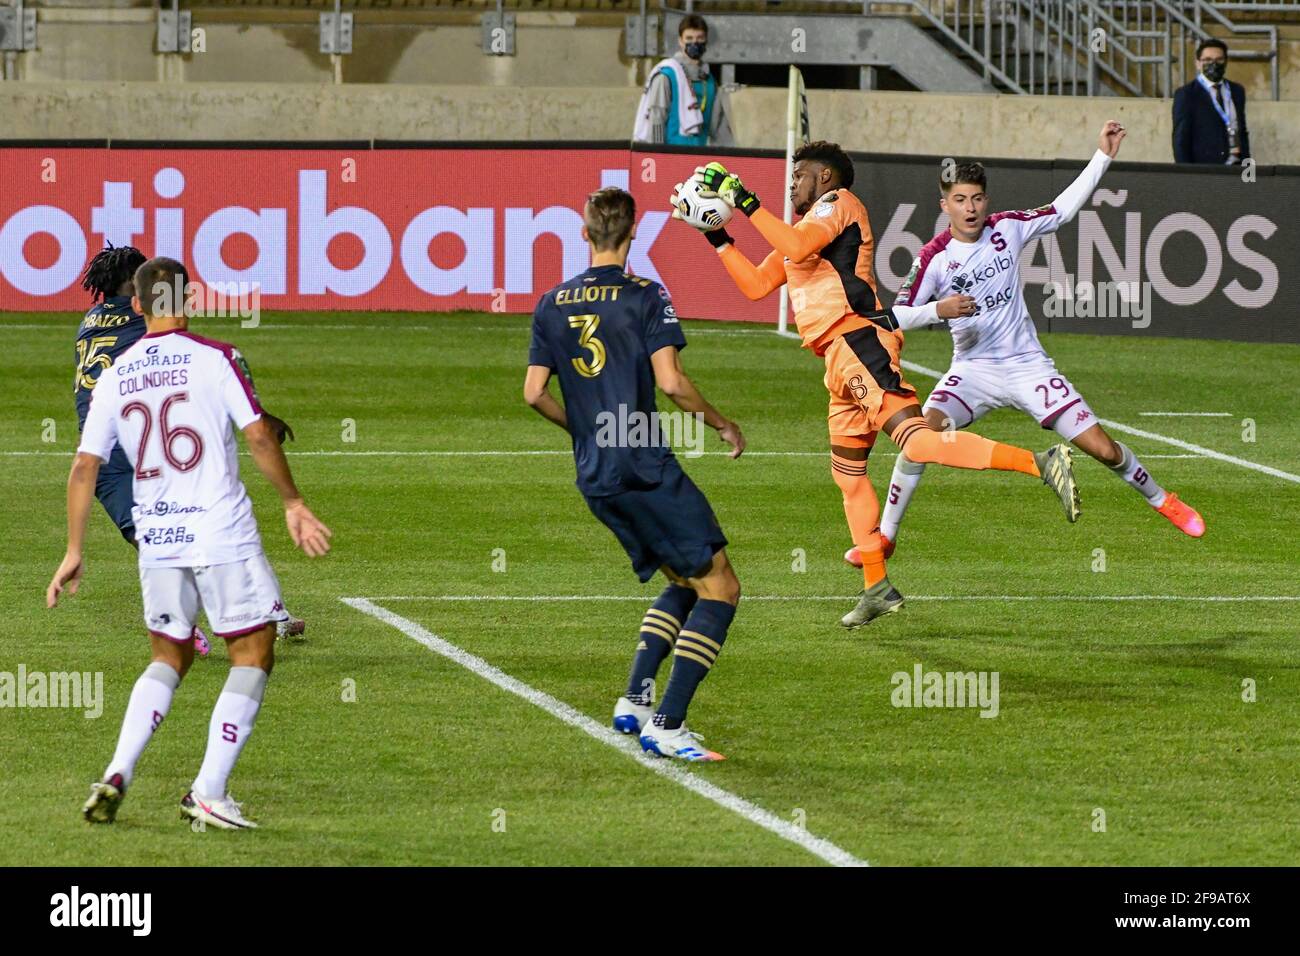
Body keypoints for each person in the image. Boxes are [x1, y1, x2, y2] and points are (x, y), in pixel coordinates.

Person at [678, 144, 1080, 629]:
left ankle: (1041, 462)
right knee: (848, 476)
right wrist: (717, 237)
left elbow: (798, 248)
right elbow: (757, 285)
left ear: (825, 178)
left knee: (919, 442)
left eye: (800, 174)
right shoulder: (801, 232)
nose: (792, 183)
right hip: (836, 357)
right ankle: (876, 587)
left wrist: (745, 201)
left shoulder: (838, 204)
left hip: (858, 340)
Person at [50, 256, 332, 829]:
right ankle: (208, 790)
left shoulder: (117, 372)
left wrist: (74, 550)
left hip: (157, 535)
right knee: (252, 653)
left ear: (137, 306)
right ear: (192, 299)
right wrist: (293, 502)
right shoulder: (216, 357)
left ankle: (116, 771)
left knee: (168, 656)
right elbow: (258, 436)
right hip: (219, 529)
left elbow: (84, 465)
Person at [854, 121, 1205, 566]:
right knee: (919, 440)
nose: (970, 208)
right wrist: (938, 310)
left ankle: (1162, 500)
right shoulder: (933, 258)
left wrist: (1103, 155)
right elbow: (894, 315)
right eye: (960, 199)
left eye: (976, 198)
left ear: (987, 200)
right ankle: (885, 537)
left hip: (1028, 367)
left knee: (1103, 449)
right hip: (972, 371)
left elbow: (1062, 210)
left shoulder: (1008, 228)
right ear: (945, 205)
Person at [525, 187, 744, 761]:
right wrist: (721, 423)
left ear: (583, 233)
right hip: (643, 466)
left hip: (596, 475)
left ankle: (636, 700)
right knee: (721, 586)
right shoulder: (645, 295)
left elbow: (533, 393)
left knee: (684, 580)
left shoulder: (551, 302)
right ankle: (669, 724)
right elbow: (671, 382)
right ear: (634, 231)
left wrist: (585, 430)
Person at [74, 244, 307, 648]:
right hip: (150, 447)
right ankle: (252, 613)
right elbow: (192, 365)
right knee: (219, 521)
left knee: (150, 536)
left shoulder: (90, 321)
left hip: (106, 452)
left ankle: (191, 621)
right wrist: (261, 416)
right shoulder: (143, 319)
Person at [633, 14, 734, 147]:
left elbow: (719, 127)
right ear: (680, 41)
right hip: (671, 155)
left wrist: (731, 156)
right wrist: (657, 154)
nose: (695, 43)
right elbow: (656, 119)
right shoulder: (667, 76)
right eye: (689, 38)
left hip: (699, 156)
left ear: (706, 40)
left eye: (700, 38)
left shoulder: (709, 82)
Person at [1173, 39, 1250, 165]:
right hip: (1205, 168)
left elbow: (1242, 131)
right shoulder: (1187, 94)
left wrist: (1247, 166)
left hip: (1236, 165)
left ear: (1226, 62)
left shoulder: (1237, 91)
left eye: (1219, 60)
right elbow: (1180, 139)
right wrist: (1185, 172)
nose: (1214, 64)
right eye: (1208, 60)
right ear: (1198, 63)